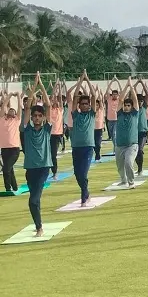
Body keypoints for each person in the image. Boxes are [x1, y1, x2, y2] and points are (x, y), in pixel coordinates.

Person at [21, 83, 53, 237]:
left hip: (43, 169)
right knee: (35, 200)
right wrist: (33, 87)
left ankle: (39, 228)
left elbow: (47, 105)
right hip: (30, 170)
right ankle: (38, 225)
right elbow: (27, 108)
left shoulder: (47, 129)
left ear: (43, 117)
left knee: (33, 200)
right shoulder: (26, 130)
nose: (37, 118)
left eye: (40, 116)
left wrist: (42, 85)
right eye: (35, 116)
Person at [66, 72, 97, 206]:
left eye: (87, 103)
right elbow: (73, 97)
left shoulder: (91, 115)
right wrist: (80, 81)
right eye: (83, 104)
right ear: (79, 105)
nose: (85, 105)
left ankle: (84, 197)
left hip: (88, 148)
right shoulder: (76, 115)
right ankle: (86, 192)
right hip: (76, 148)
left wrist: (87, 79)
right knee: (77, 174)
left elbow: (94, 96)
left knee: (83, 173)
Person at [112, 86, 142, 188]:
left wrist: (132, 87)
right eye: (125, 105)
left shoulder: (134, 114)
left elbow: (135, 100)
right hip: (120, 145)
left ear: (131, 106)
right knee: (120, 166)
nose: (126, 107)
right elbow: (120, 99)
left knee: (128, 163)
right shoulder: (120, 114)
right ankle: (123, 180)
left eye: (128, 105)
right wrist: (126, 86)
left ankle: (131, 182)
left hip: (131, 145)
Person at [1, 89, 18, 195]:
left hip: (14, 149)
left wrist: (18, 98)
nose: (11, 111)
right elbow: (3, 106)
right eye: (10, 110)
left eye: (13, 110)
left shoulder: (16, 120)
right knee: (9, 168)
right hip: (4, 148)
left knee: (6, 169)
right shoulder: (2, 119)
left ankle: (8, 188)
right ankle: (15, 187)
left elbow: (19, 109)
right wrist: (9, 95)